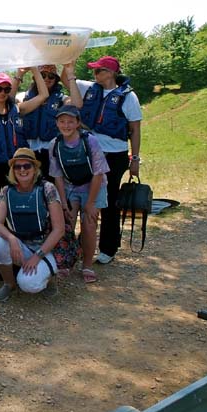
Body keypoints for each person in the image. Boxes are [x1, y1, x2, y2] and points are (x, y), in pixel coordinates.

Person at [76, 56, 142, 264]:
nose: (95, 74)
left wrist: (135, 159)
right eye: (94, 70)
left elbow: (135, 129)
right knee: (87, 198)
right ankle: (84, 244)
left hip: (115, 156)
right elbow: (67, 79)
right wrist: (68, 62)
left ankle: (108, 248)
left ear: (112, 72)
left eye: (99, 70)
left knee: (109, 201)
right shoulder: (89, 88)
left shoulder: (128, 97)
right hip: (90, 153)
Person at [0, 68, 49, 228]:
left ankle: (12, 240)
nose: (2, 93)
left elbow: (43, 95)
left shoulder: (18, 109)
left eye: (6, 89)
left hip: (13, 168)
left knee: (13, 210)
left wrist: (34, 69)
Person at [0, 148, 65, 301]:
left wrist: (37, 256)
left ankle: (49, 278)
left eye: (27, 166)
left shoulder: (47, 188)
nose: (22, 170)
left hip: (46, 248)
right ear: (13, 170)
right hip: (20, 245)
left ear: (35, 168)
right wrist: (11, 238)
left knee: (28, 284)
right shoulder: (6, 191)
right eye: (17, 166)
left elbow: (59, 229)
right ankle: (9, 284)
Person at [49, 105, 109, 283]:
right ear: (57, 123)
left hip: (94, 186)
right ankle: (67, 262)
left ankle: (87, 265)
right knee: (67, 224)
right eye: (62, 121)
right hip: (70, 186)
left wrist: (90, 203)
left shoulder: (90, 141)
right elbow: (57, 175)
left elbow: (98, 173)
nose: (66, 125)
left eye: (70, 122)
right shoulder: (55, 144)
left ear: (77, 123)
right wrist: (63, 204)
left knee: (89, 224)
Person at [16, 63, 82, 178]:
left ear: (56, 80)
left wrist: (70, 76)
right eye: (42, 75)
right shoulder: (23, 96)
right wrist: (19, 75)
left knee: (52, 184)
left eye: (51, 76)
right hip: (28, 150)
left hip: (52, 151)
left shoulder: (61, 98)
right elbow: (16, 107)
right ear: (36, 77)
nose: (47, 79)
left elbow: (77, 105)